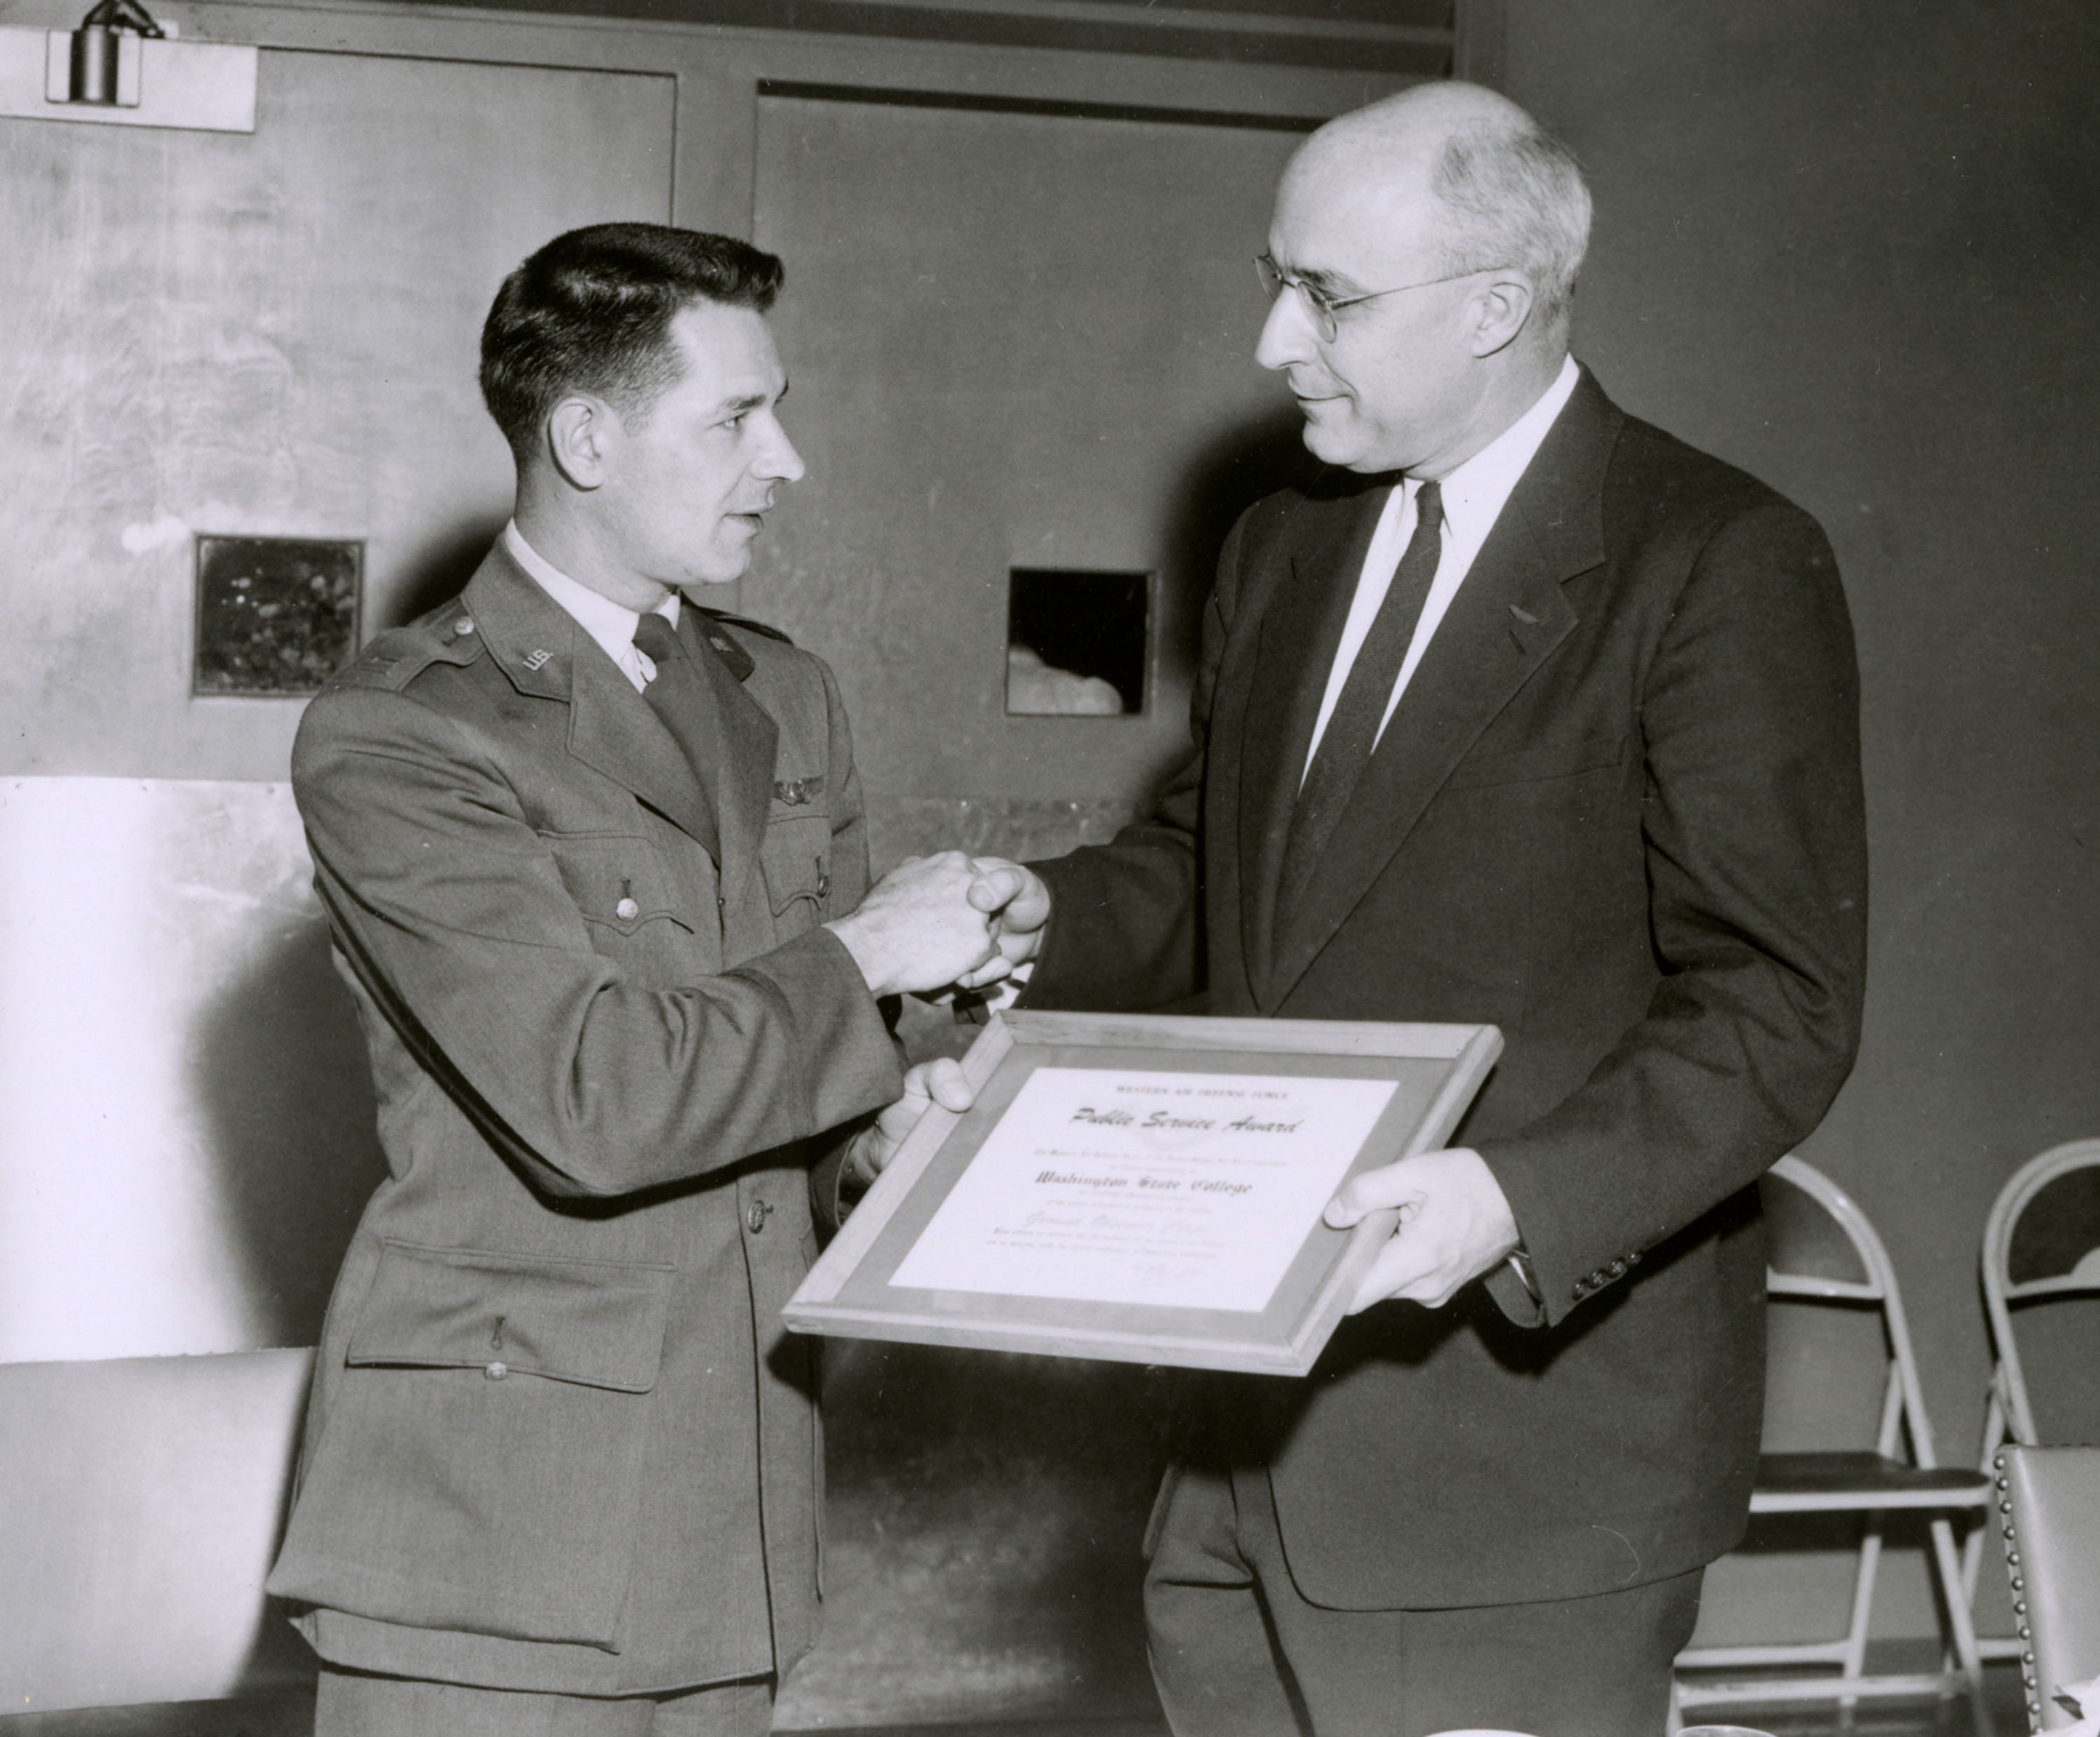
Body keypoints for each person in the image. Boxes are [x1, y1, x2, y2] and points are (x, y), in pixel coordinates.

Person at [982, 81, 1868, 1736]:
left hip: (1512, 1475)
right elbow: (1208, 880)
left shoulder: (1712, 558)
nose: (1270, 344)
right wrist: (1019, 917)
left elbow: (1781, 1002)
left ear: (1498, 307)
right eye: (1277, 280)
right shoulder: (1282, 550)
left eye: (1325, 297)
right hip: (1237, 1454)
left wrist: (1514, 1200)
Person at [266, 223, 1020, 1737]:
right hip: (493, 1550)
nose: (786, 459)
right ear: (589, 437)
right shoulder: (407, 732)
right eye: (739, 416)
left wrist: (898, 1131)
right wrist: (871, 950)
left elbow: (805, 1080)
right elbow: (600, 1099)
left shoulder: (781, 691)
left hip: (732, 1517)